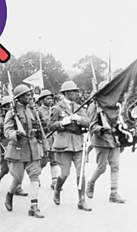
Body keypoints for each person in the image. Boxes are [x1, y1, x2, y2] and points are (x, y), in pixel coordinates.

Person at [3, 84, 49, 218]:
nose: (30, 97)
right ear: (19, 97)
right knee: (17, 178)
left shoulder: (33, 110)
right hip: (18, 148)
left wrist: (45, 146)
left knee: (35, 176)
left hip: (33, 147)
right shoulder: (11, 113)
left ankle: (34, 207)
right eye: (27, 95)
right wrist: (15, 133)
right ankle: (10, 194)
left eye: (30, 94)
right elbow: (7, 130)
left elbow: (39, 129)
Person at [48, 81, 91, 211]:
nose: (76, 94)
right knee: (65, 173)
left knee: (81, 173)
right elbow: (50, 126)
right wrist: (62, 123)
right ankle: (57, 190)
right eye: (73, 91)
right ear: (66, 93)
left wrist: (79, 119)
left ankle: (82, 200)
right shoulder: (57, 108)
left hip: (78, 143)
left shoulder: (79, 107)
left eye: (76, 91)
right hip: (64, 144)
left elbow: (88, 122)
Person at [86, 81, 126, 204]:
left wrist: (123, 136)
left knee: (115, 166)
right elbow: (92, 126)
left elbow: (120, 122)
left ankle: (113, 193)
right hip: (101, 140)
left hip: (114, 140)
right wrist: (102, 129)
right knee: (101, 167)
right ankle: (90, 183)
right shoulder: (94, 106)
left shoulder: (115, 105)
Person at [0, 95, 28, 196]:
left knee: (19, 167)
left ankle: (18, 187)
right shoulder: (0, 118)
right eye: (7, 106)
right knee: (5, 169)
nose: (10, 108)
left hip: (17, 143)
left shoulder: (19, 115)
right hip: (5, 144)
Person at [37, 89, 61, 190]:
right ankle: (36, 176)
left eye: (51, 98)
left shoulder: (55, 109)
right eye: (47, 98)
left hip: (54, 138)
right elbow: (37, 126)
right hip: (45, 139)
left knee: (54, 160)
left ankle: (54, 181)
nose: (50, 100)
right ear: (42, 100)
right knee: (43, 161)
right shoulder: (38, 111)